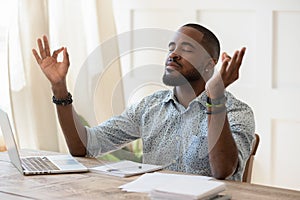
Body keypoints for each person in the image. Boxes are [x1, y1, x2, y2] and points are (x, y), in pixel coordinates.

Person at [32, 23, 255, 181]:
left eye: (186, 49)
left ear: (209, 64)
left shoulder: (237, 111)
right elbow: (83, 146)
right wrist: (59, 87)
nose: (173, 54)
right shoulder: (150, 107)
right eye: (171, 48)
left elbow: (223, 171)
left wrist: (215, 96)